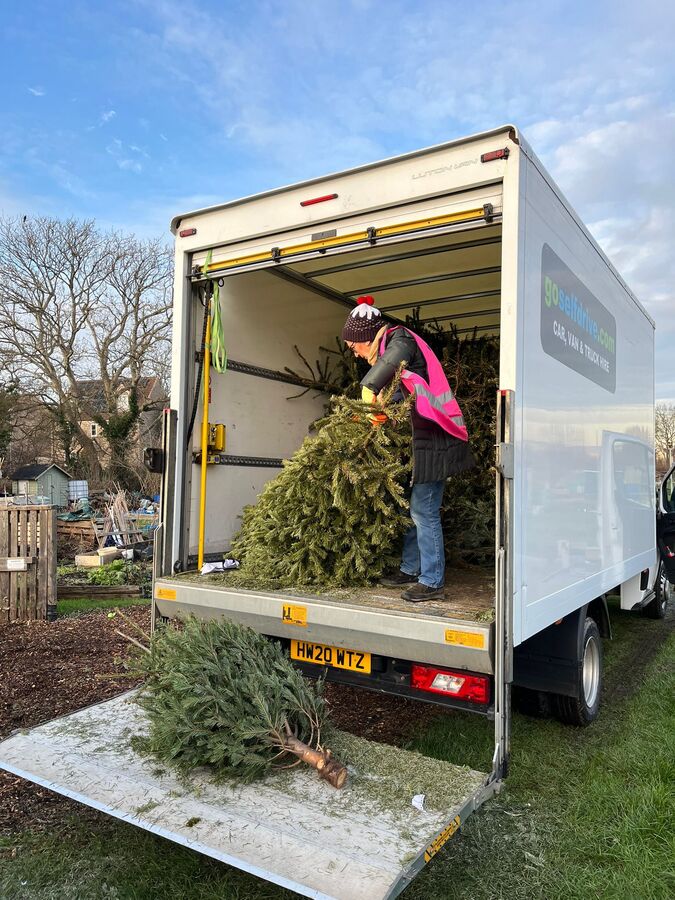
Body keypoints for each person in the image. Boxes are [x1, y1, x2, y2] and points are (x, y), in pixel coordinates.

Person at [341, 296, 474, 602]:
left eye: (354, 346)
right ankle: (410, 568)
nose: (355, 353)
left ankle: (432, 581)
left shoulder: (400, 340)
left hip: (437, 439)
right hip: (421, 444)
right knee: (411, 508)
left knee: (423, 509)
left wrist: (369, 388)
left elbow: (390, 363)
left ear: (366, 337)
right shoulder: (392, 349)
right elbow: (407, 397)